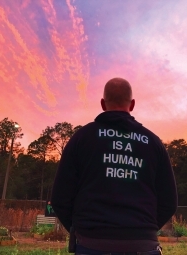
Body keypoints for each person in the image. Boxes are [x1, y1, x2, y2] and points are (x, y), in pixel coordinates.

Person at [51, 77, 177, 255]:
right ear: (132, 104)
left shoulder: (82, 138)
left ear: (103, 104)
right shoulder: (153, 143)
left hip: (91, 245)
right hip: (143, 245)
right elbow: (169, 202)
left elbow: (59, 198)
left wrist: (83, 229)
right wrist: (142, 229)